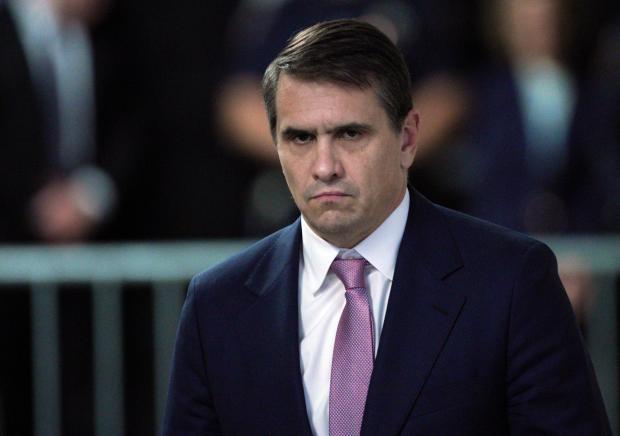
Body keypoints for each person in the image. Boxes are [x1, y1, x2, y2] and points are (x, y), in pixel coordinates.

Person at [163, 19, 610, 435]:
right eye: (300, 138)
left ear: (408, 138)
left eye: (350, 134)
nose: (324, 166)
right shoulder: (215, 305)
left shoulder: (511, 282)